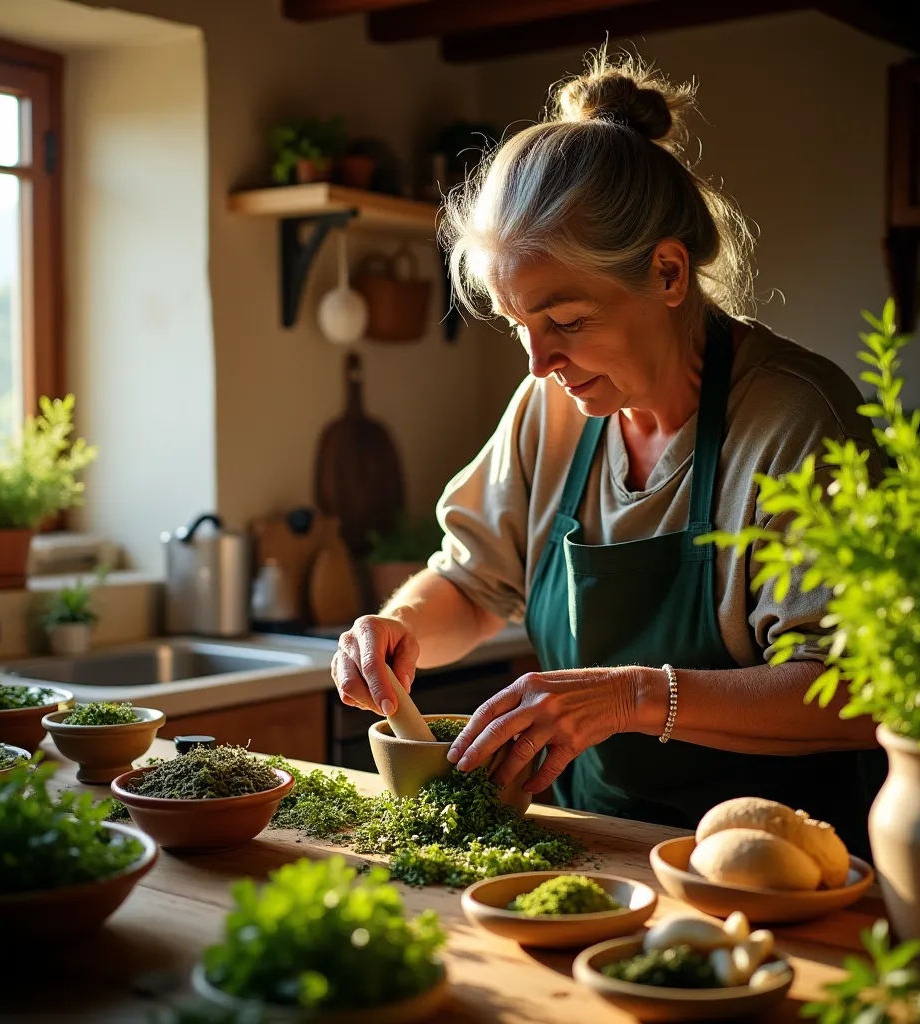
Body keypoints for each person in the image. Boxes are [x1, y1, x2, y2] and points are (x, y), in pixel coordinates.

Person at [331, 51, 882, 853]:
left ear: (666, 272)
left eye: (567, 321)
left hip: (780, 869)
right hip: (596, 847)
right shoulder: (549, 409)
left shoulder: (795, 423)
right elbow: (472, 582)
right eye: (519, 324)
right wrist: (399, 625)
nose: (536, 363)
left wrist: (631, 698)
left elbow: (855, 696)